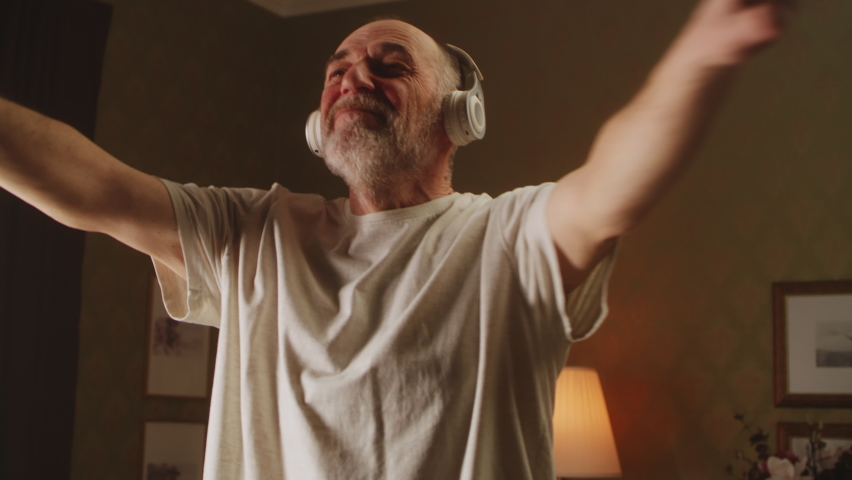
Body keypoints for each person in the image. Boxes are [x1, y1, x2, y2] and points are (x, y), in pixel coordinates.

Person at [0, 0, 793, 478]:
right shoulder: (252, 234)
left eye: (390, 65)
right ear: (319, 121)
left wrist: (708, 47)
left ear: (459, 117)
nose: (354, 76)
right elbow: (92, 186)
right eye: (338, 66)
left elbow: (616, 178)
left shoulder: (507, 239)